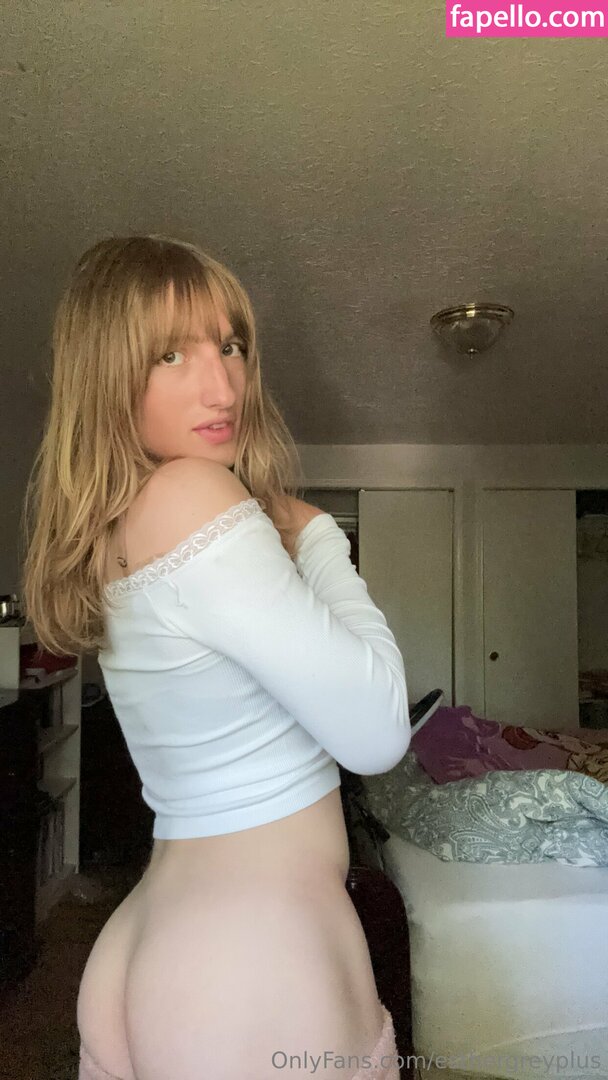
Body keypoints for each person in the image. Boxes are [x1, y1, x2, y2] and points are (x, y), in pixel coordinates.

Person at [20, 234, 411, 1080]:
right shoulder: (191, 492)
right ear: (107, 375)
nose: (224, 385)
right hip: (249, 963)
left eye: (229, 346)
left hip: (159, 939)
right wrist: (319, 539)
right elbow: (378, 729)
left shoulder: (121, 525)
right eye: (171, 354)